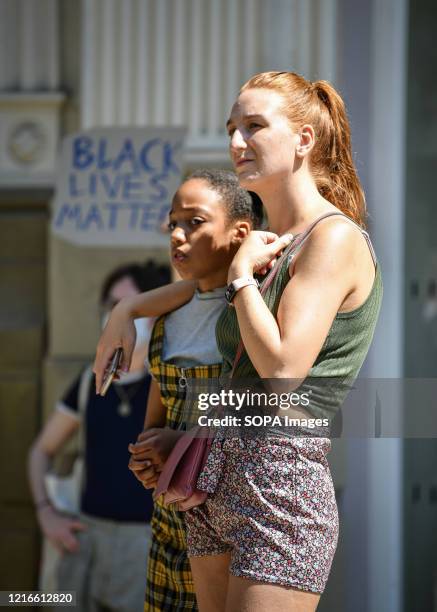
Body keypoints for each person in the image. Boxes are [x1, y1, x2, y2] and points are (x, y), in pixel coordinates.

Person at [94, 71, 383, 612]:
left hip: (280, 488)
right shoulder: (276, 240)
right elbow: (207, 307)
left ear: (303, 139)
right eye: (231, 127)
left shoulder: (333, 238)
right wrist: (128, 308)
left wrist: (243, 278)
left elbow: (281, 374)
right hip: (213, 479)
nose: (234, 142)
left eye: (253, 126)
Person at [127, 169, 263, 611]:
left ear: (239, 232)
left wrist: (179, 446)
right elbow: (156, 420)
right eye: (173, 224)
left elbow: (267, 418)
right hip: (169, 524)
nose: (178, 236)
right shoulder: (166, 320)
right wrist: (147, 459)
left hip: (230, 526)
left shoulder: (254, 312)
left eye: (195, 221)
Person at [28, 261, 170, 612]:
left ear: (157, 316)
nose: (116, 316)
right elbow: (41, 451)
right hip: (85, 541)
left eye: (130, 307)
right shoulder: (89, 382)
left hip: (148, 547)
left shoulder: (171, 387)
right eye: (111, 305)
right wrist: (46, 513)